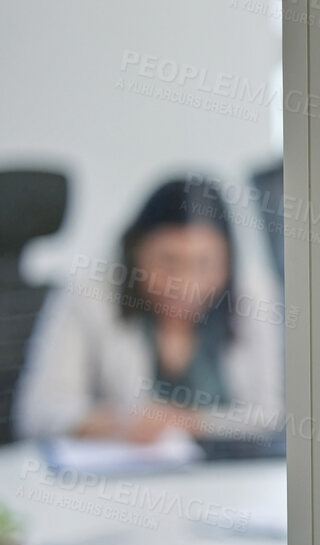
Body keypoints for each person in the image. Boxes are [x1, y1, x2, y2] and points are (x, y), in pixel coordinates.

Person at [15, 176, 284, 441]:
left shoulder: (254, 295)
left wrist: (191, 422)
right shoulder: (89, 296)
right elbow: (38, 413)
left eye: (205, 263)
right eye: (168, 261)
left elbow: (273, 415)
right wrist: (114, 423)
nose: (185, 284)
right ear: (135, 252)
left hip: (236, 479)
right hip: (124, 480)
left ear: (228, 262)